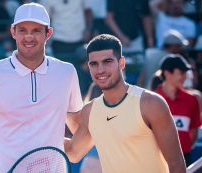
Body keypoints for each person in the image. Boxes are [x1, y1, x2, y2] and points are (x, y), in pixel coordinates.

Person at [0, 3, 82, 173]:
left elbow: (79, 128)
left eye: (36, 30)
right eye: (22, 30)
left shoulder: (67, 73)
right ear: (13, 32)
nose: (28, 37)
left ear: (48, 34)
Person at [64, 34, 186, 173]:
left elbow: (176, 164)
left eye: (107, 61)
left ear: (122, 63)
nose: (100, 69)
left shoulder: (151, 103)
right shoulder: (89, 111)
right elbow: (73, 153)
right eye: (94, 64)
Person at [155, 54, 201, 167]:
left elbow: (194, 132)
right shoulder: (151, 100)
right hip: (156, 158)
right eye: (182, 73)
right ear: (167, 73)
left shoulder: (191, 100)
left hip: (185, 158)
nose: (186, 77)